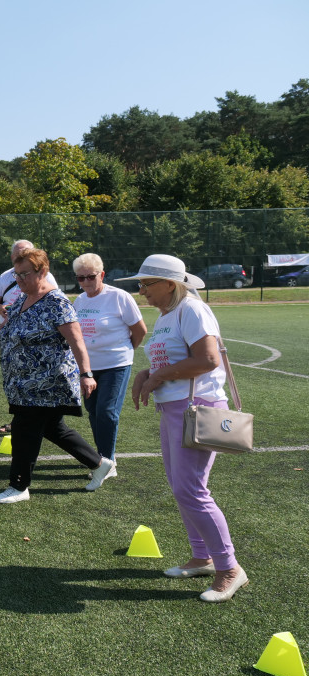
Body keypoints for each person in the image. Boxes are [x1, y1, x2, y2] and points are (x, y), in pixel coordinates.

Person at [117, 254, 247, 603]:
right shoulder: (167, 315)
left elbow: (207, 359)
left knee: (191, 489)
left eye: (146, 284)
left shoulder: (191, 309)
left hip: (198, 409)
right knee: (181, 486)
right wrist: (148, 373)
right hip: (175, 409)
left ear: (170, 285)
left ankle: (230, 568)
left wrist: (157, 375)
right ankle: (202, 556)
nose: (141, 291)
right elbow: (172, 361)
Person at [0, 248, 114, 503]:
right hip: (22, 382)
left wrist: (87, 374)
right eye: (16, 275)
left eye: (25, 274)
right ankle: (99, 464)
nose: (19, 280)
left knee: (24, 430)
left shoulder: (56, 302)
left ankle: (19, 486)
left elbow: (77, 341)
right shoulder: (21, 300)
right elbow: (5, 327)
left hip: (47, 382)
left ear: (43, 271)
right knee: (53, 428)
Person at [72, 253, 147, 486]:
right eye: (80, 278)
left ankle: (108, 462)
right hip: (87, 368)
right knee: (93, 411)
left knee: (107, 411)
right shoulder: (79, 301)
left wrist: (125, 352)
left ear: (101, 275)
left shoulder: (119, 297)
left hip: (116, 364)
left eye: (90, 277)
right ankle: (100, 457)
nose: (85, 282)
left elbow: (140, 331)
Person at [0, 239, 59, 433]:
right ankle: (20, 420)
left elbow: (57, 304)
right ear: (12, 257)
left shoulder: (47, 278)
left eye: (27, 252)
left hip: (37, 338)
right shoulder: (5, 277)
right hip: (10, 334)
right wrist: (2, 309)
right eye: (19, 253)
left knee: (36, 377)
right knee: (14, 378)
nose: (23, 255)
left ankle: (36, 420)